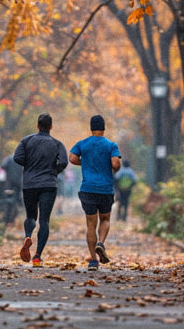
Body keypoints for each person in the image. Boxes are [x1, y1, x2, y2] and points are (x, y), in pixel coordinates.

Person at [14, 113, 68, 267]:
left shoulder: (26, 141)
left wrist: (30, 165)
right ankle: (37, 256)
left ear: (37, 126)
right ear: (51, 126)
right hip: (48, 185)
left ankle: (27, 236)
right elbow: (64, 162)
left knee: (31, 216)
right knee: (44, 220)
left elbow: (17, 158)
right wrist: (53, 171)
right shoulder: (57, 144)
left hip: (29, 184)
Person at [69, 115, 121, 271]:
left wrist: (84, 162)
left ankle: (93, 260)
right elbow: (115, 163)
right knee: (105, 219)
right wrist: (113, 169)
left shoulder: (82, 144)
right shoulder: (111, 145)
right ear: (103, 128)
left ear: (91, 128)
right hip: (105, 189)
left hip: (88, 188)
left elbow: (72, 158)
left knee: (90, 224)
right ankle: (101, 243)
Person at [0, 154, 23, 228]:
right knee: (16, 198)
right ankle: (13, 218)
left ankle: (6, 219)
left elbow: (2, 166)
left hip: (9, 182)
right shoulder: (22, 159)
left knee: (8, 200)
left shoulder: (9, 158)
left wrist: (7, 170)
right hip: (19, 182)